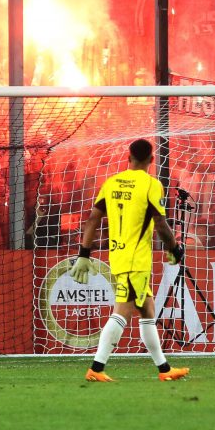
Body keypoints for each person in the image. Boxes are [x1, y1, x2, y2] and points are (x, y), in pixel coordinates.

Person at [69, 139, 188, 382]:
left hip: (119, 255)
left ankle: (164, 370)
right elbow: (161, 223)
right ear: (152, 160)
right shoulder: (151, 185)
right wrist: (175, 248)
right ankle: (97, 367)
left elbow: (92, 219)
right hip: (135, 259)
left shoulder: (111, 183)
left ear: (128, 157)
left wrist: (84, 254)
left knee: (147, 309)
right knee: (123, 310)